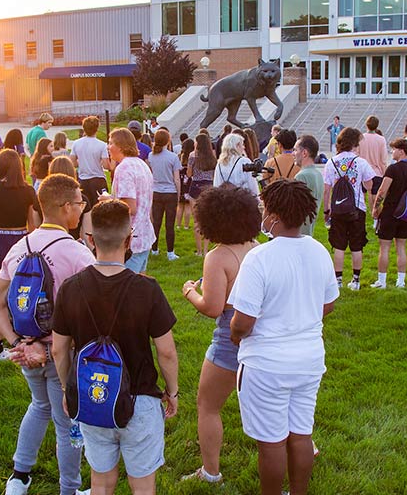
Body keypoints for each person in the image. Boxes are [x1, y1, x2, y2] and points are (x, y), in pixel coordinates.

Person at [52, 199, 179, 495]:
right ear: (129, 239)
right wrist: (171, 392)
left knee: (101, 479)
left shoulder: (71, 288)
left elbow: (59, 350)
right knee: (142, 484)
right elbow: (167, 351)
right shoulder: (146, 289)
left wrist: (66, 389)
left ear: (90, 240)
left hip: (93, 397)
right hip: (140, 401)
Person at [229, 179, 338, 495]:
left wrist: (237, 335)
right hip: (309, 358)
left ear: (274, 215)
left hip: (266, 364)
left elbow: (243, 320)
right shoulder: (318, 250)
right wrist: (300, 317)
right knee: (301, 433)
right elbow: (329, 302)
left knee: (271, 441)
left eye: (265, 208)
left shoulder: (260, 257)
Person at [0, 174, 95, 495]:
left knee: (38, 406)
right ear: (65, 208)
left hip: (27, 348)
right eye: (79, 203)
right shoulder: (77, 254)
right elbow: (93, 311)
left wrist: (18, 343)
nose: (82, 209)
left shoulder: (19, 246)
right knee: (67, 424)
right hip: (62, 351)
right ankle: (70, 489)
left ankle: (19, 478)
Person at [179, 185, 260, 484]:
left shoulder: (217, 257)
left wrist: (190, 292)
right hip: (261, 334)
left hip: (230, 335)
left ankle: (210, 473)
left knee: (208, 405)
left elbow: (212, 307)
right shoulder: (258, 246)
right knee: (273, 405)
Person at [0, 149, 41, 360]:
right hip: (21, 241)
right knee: (23, 294)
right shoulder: (27, 191)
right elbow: (33, 225)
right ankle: (24, 338)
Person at [322, 127, 376, 291]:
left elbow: (326, 189)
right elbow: (369, 184)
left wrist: (326, 210)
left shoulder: (332, 162)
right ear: (354, 143)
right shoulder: (360, 162)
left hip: (337, 208)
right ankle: (356, 280)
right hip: (357, 207)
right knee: (356, 245)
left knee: (338, 245)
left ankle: (338, 280)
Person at [371, 139, 407, 289]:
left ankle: (382, 281)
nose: (392, 152)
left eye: (394, 149)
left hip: (390, 211)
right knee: (401, 247)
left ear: (401, 151)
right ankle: (400, 281)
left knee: (384, 247)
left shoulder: (393, 169)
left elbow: (382, 190)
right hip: (405, 213)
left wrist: (375, 207)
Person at [109, 128, 156, 273]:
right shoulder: (142, 164)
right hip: (145, 234)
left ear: (121, 146)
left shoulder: (123, 168)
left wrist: (108, 201)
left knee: (126, 289)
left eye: (111, 143)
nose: (108, 147)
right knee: (139, 288)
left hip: (131, 239)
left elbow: (129, 207)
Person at [148, 130, 182, 261]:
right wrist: (178, 195)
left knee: (156, 222)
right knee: (169, 224)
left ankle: (154, 249)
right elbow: (177, 179)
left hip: (156, 191)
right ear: (168, 141)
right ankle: (170, 252)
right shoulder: (173, 157)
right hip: (170, 192)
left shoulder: (151, 156)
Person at [71, 116, 111, 209]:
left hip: (83, 179)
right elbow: (106, 165)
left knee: (85, 208)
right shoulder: (102, 145)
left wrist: (81, 163)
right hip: (98, 179)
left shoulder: (76, 143)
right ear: (97, 129)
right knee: (100, 207)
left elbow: (72, 161)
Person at [188, 132, 217, 256]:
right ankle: (206, 250)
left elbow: (189, 174)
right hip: (209, 187)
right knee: (208, 220)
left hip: (196, 187)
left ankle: (199, 251)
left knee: (197, 221)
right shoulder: (213, 156)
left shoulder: (193, 156)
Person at [358, 116, 389, 216]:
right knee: (375, 194)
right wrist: (385, 173)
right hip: (376, 171)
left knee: (362, 194)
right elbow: (383, 159)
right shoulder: (381, 139)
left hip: (362, 170)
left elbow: (357, 154)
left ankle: (362, 213)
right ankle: (375, 215)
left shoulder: (360, 138)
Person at [293, 135, 323, 237]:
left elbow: (294, 208)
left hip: (298, 232)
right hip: (309, 230)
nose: (294, 154)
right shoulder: (318, 174)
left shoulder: (302, 176)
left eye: (296, 150)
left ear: (304, 153)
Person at [176, 138, 194, 231]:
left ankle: (178, 225)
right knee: (187, 206)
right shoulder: (193, 156)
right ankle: (186, 226)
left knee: (180, 206)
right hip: (189, 181)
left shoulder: (179, 156)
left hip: (181, 180)